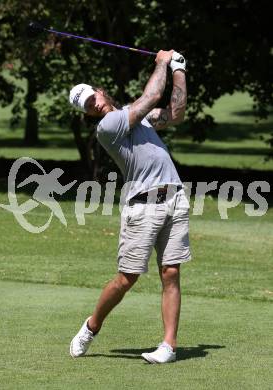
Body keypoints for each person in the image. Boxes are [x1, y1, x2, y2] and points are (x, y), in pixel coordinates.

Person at [68, 50, 191, 364]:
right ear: (90, 113)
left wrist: (179, 70)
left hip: (174, 197)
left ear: (100, 90)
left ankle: (168, 347)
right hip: (143, 205)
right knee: (127, 278)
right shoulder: (109, 126)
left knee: (171, 273)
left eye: (90, 96)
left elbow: (176, 113)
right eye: (86, 106)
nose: (92, 104)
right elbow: (151, 97)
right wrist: (162, 61)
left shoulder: (136, 116)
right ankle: (92, 326)